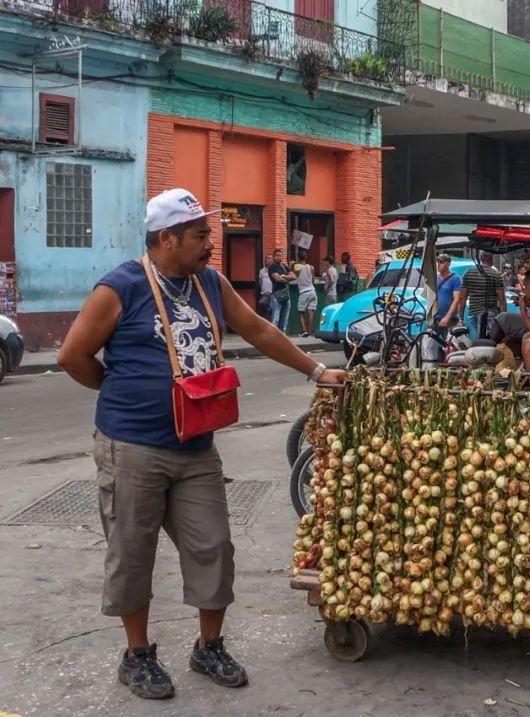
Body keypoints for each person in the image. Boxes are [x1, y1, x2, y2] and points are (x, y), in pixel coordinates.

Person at [56, 188, 346, 700]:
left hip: (196, 448)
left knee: (214, 545)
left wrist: (317, 370)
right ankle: (137, 655)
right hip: (132, 446)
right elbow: (73, 356)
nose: (211, 244)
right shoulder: (121, 286)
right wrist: (119, 389)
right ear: (166, 239)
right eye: (199, 235)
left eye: (207, 234)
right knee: (132, 553)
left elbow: (256, 329)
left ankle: (207, 645)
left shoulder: (209, 282)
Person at [461, 252, 505, 339]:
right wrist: (504, 318)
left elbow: (462, 298)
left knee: (480, 335)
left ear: (480, 259)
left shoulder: (468, 273)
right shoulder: (496, 274)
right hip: (489, 312)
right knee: (486, 338)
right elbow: (501, 299)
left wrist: (460, 317)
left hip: (473, 312)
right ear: (491, 259)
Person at [434, 253, 463, 335]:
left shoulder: (455, 278)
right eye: (438, 262)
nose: (439, 264)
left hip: (450, 319)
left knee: (448, 344)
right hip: (436, 318)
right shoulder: (435, 278)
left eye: (442, 262)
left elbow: (456, 299)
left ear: (448, 264)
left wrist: (447, 317)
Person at [266, 248, 294, 333]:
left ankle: (283, 337)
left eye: (280, 255)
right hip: (276, 296)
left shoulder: (285, 266)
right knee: (275, 319)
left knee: (284, 319)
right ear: (274, 257)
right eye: (276, 256)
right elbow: (277, 279)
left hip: (286, 295)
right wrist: (287, 278)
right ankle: (273, 337)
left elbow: (294, 276)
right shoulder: (272, 267)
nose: (278, 257)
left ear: (282, 256)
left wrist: (284, 276)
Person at [293, 250, 317, 337]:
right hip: (312, 291)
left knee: (301, 312)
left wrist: (294, 264)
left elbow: (295, 275)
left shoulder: (297, 266)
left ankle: (304, 331)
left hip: (304, 292)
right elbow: (313, 279)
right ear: (306, 257)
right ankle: (310, 331)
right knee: (310, 311)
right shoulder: (311, 267)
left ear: (298, 257)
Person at [256, 255, 273, 320]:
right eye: (266, 258)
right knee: (261, 311)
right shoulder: (261, 271)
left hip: (272, 294)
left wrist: (271, 291)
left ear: (272, 260)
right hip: (263, 294)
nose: (266, 260)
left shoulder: (274, 270)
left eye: (269, 258)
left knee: (271, 312)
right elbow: (260, 282)